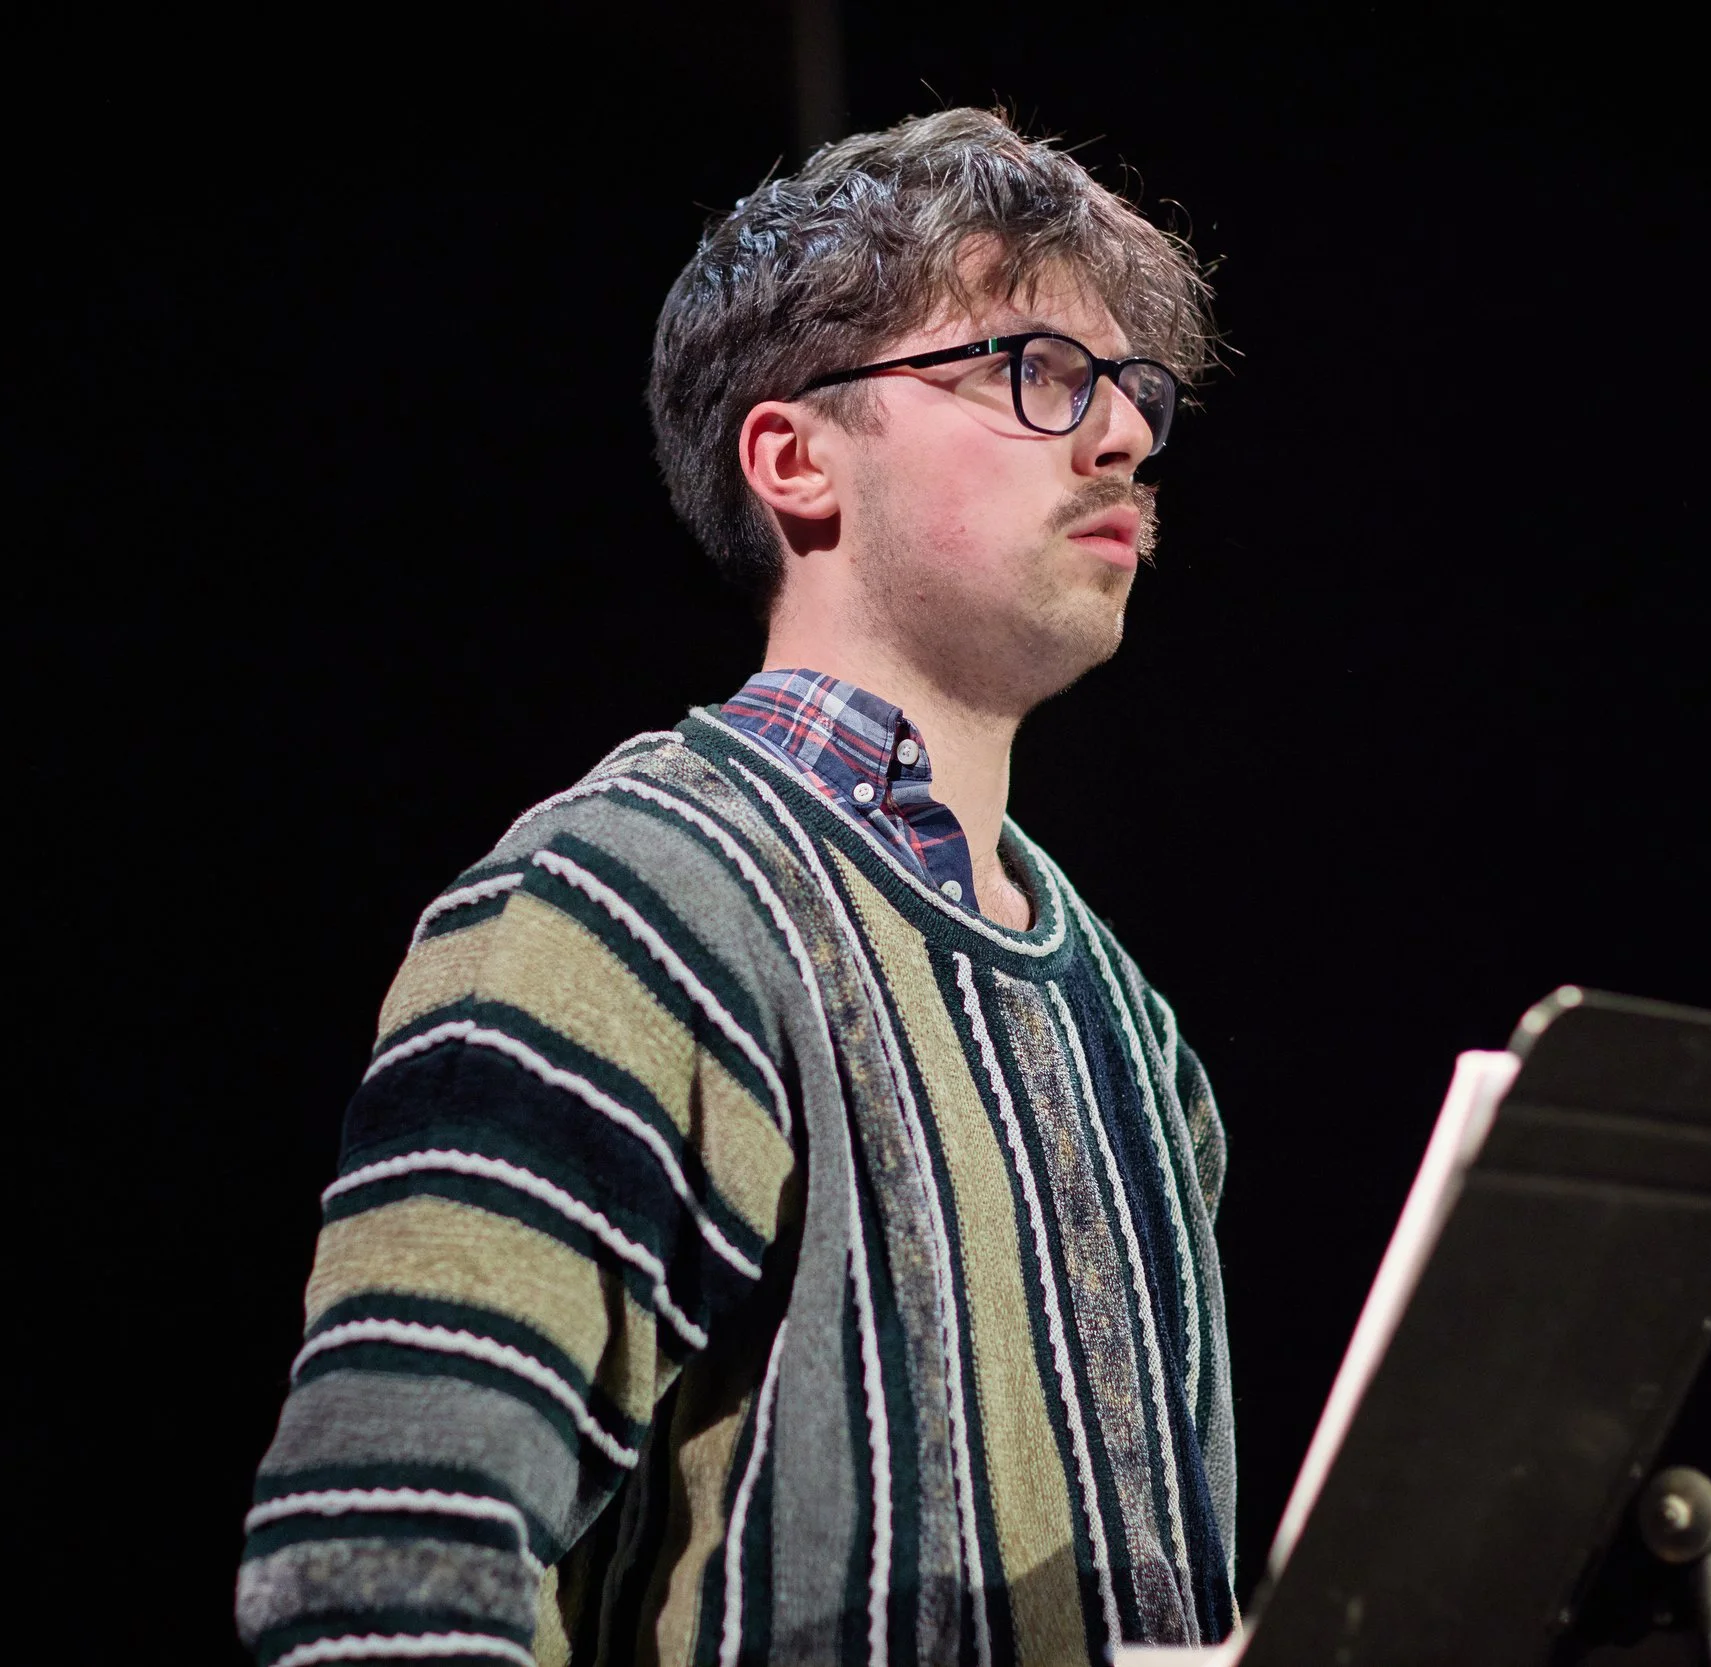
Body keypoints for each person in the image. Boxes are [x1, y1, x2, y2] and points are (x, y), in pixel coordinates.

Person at [236, 107, 1234, 1667]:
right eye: (1034, 371)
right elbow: (378, 1566)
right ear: (795, 458)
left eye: (1131, 392)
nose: (1118, 438)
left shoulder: (1133, 1033)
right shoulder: (625, 907)